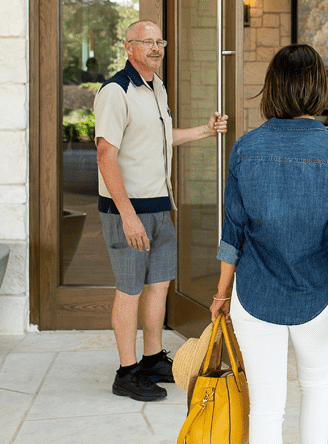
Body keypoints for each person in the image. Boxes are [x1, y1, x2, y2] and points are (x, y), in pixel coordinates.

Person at [210, 44, 328, 444]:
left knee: (265, 406)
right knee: (317, 387)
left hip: (254, 292)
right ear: (319, 88)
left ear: (272, 87)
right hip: (318, 293)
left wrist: (222, 293)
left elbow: (232, 233)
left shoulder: (245, 149)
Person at [94, 20, 228, 402]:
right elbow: (105, 156)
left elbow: (160, 138)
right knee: (129, 291)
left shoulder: (156, 87)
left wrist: (205, 131)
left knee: (158, 286)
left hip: (159, 205)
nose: (156, 48)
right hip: (129, 210)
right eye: (147, 42)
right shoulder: (116, 91)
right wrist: (128, 216)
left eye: (160, 41)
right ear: (128, 47)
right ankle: (126, 373)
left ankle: (152, 360)